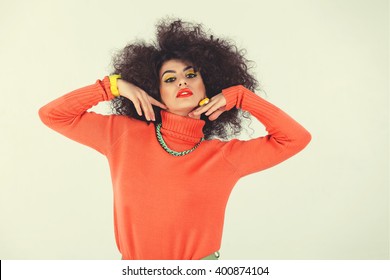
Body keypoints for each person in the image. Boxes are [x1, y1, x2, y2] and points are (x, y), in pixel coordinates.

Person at [39, 19, 311, 260]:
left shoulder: (224, 156)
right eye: (170, 79)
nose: (182, 82)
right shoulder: (122, 135)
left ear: (210, 86)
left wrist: (243, 96)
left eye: (191, 75)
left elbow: (296, 139)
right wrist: (113, 86)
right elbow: (53, 115)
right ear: (152, 90)